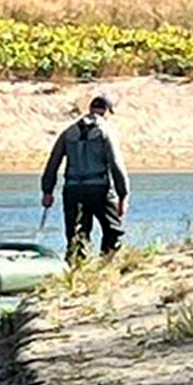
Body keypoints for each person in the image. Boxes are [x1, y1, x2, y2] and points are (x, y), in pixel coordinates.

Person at [40, 94, 130, 263]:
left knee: (77, 234)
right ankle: (105, 265)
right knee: (113, 231)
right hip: (99, 189)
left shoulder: (68, 132)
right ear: (107, 112)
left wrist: (47, 191)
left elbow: (53, 162)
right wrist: (123, 195)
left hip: (73, 190)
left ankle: (76, 270)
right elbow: (116, 164)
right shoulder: (106, 131)